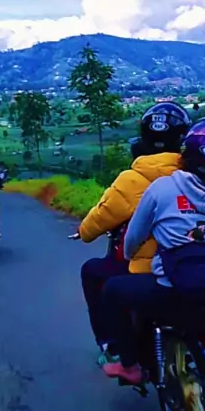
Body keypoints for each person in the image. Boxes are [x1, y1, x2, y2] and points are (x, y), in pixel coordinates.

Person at [101, 118, 205, 385]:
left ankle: (130, 365)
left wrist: (129, 256)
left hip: (172, 290)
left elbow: (134, 237)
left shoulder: (163, 188)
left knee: (112, 291)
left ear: (185, 152)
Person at [78, 102, 192, 366]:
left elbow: (95, 224)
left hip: (146, 271)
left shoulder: (131, 180)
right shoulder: (194, 176)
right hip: (191, 266)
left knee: (93, 272)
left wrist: (83, 231)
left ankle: (113, 346)